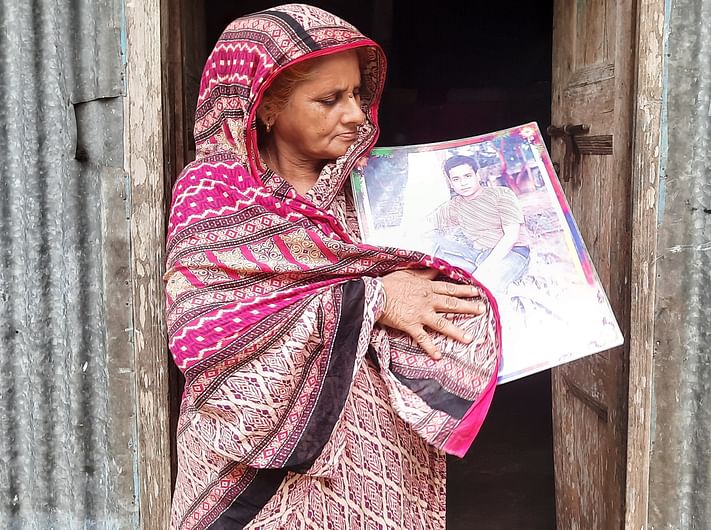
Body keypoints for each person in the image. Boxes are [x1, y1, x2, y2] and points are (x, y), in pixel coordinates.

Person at [163, 5, 501, 529]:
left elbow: (438, 281)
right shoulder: (214, 195)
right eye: (330, 99)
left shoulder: (378, 190)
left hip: (377, 455)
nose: (358, 116)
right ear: (266, 106)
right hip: (249, 463)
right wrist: (375, 297)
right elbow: (206, 332)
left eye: (357, 95)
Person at [428, 154, 531, 297]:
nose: (463, 183)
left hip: (512, 253)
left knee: (487, 289)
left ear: (477, 175)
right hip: (476, 255)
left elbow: (511, 237)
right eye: (456, 179)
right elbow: (427, 226)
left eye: (467, 176)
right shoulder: (454, 206)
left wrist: (483, 270)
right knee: (429, 245)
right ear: (451, 183)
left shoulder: (501, 194)